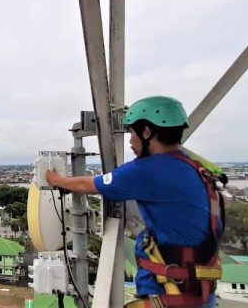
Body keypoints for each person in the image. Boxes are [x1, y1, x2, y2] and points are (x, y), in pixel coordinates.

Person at [46, 96, 223, 308]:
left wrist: (56, 180)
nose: (130, 140)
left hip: (172, 295)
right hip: (199, 293)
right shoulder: (194, 167)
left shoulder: (149, 170)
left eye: (132, 132)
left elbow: (89, 184)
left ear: (147, 132)